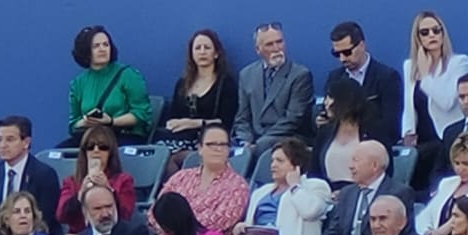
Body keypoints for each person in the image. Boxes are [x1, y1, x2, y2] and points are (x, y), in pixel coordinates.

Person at [234, 21, 317, 170]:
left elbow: (293, 119)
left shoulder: (300, 75)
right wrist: (246, 141)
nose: (277, 48)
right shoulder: (246, 75)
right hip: (255, 139)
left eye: (279, 42)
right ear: (258, 50)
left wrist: (259, 142)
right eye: (269, 44)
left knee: (263, 146)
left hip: (288, 137)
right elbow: (242, 117)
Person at [402, 9, 468, 184]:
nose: (432, 35)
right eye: (425, 32)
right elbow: (409, 105)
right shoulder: (410, 66)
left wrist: (426, 77)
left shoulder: (459, 62)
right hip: (420, 140)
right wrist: (407, 132)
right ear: (417, 37)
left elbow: (447, 101)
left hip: (446, 138)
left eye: (436, 30)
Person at [156, 28, 240, 158]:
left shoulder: (226, 84)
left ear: (216, 53)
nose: (202, 52)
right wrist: (175, 124)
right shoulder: (182, 83)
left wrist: (192, 123)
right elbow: (172, 117)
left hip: (209, 140)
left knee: (175, 158)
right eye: (197, 48)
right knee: (160, 155)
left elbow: (226, 121)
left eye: (207, 48)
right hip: (179, 138)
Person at [0, 114, 61, 235]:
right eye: (0, 139)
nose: (3, 145)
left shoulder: (44, 175)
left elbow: (45, 221)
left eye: (10, 139)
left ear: (26, 142)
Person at [327, 22, 407, 147]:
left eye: (347, 52)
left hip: (375, 147)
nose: (342, 59)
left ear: (362, 45)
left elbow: (392, 126)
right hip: (340, 144)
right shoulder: (335, 78)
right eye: (337, 54)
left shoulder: (387, 77)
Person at [68, 25, 154, 142]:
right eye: (96, 46)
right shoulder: (78, 83)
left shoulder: (128, 75)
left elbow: (142, 114)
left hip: (123, 136)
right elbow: (73, 125)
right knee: (55, 155)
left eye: (106, 44)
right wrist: (86, 121)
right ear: (86, 51)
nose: (102, 49)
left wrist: (111, 121)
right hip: (90, 137)